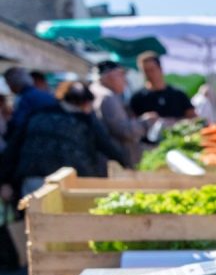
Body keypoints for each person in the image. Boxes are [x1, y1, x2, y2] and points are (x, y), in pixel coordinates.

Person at [1, 81, 130, 196]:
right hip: (71, 182)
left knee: (36, 219)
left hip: (33, 180)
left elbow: (13, 147)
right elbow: (106, 145)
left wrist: (4, 180)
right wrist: (127, 164)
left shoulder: (38, 114)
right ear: (86, 103)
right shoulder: (85, 120)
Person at [91, 60, 146, 165]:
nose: (124, 80)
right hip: (113, 162)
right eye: (121, 75)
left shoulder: (95, 91)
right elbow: (123, 131)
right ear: (109, 76)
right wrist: (145, 123)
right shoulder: (107, 97)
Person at [130, 52, 195, 121]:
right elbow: (133, 123)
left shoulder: (178, 94)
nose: (149, 74)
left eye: (152, 70)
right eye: (145, 71)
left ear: (160, 69)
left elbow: (193, 117)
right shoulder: (137, 98)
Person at [3, 67, 58, 140]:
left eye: (8, 84)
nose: (9, 88)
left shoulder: (26, 97)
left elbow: (18, 123)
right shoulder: (47, 96)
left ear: (13, 83)